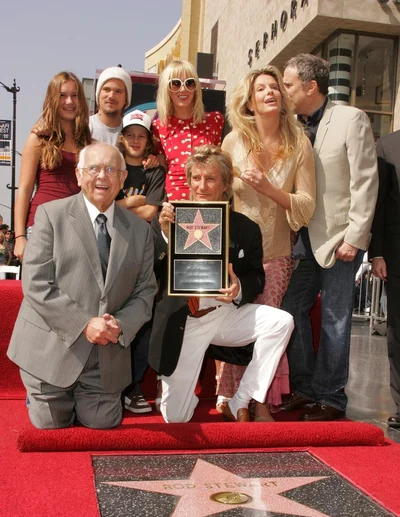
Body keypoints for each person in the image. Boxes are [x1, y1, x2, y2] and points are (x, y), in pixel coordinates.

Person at [7, 143, 157, 430]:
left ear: (123, 178)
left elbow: (145, 291)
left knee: (104, 424)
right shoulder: (51, 215)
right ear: (78, 175)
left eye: (111, 169)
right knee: (52, 426)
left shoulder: (139, 231)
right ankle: (40, 395)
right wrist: (85, 323)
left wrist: (121, 325)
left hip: (104, 359)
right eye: (94, 168)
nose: (102, 176)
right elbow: (37, 283)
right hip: (49, 352)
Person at [149, 145, 294, 423]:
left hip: (226, 315)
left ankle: (241, 399)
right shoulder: (168, 220)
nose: (201, 186)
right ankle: (181, 394)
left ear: (226, 185)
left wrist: (239, 287)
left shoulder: (246, 228)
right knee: (176, 419)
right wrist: (166, 237)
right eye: (196, 178)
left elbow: (256, 277)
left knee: (281, 322)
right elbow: (151, 271)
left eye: (211, 179)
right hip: (185, 320)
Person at [280, 53, 378, 421]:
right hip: (301, 239)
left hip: (340, 241)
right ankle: (306, 388)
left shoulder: (351, 119)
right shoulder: (293, 125)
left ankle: (332, 398)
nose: (284, 91)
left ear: (310, 86)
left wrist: (355, 236)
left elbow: (365, 181)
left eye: (288, 84)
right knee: (291, 309)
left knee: (336, 320)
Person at [216, 65, 316, 421]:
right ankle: (234, 398)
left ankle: (257, 402)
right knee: (241, 324)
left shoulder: (299, 144)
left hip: (276, 255)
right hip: (237, 256)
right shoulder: (233, 142)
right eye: (261, 89)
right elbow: (216, 191)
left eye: (275, 87)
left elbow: (306, 205)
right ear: (249, 102)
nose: (270, 92)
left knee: (267, 326)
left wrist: (270, 190)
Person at [116, 110, 166, 414]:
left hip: (147, 254)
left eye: (141, 135)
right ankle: (114, 385)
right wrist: (134, 202)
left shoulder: (154, 171)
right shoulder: (113, 165)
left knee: (144, 318)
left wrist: (124, 206)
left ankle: (133, 386)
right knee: (116, 316)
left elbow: (151, 212)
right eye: (130, 134)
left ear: (148, 140)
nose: (135, 140)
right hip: (114, 252)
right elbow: (102, 205)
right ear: (122, 138)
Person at [13, 71, 91, 262]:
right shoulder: (38, 139)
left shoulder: (89, 143)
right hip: (41, 226)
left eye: (74, 95)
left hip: (78, 229)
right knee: (39, 290)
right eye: (62, 95)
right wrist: (19, 236)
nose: (69, 101)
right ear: (53, 100)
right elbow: (24, 189)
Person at [152, 60, 224, 201]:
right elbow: (161, 167)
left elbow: (221, 165)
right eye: (176, 83)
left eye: (189, 83)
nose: (183, 89)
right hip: (174, 203)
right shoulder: (158, 126)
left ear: (196, 88)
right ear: (167, 89)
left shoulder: (215, 120)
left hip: (208, 200)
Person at [369, 130, 400, 429]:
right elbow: (378, 203)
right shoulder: (388, 145)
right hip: (397, 251)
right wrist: (376, 252)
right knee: (397, 330)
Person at [89, 67, 132, 145]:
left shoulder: (131, 133)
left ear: (126, 98)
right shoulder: (84, 128)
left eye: (118, 91)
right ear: (98, 94)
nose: (111, 96)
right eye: (107, 90)